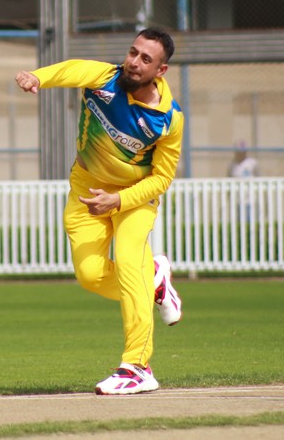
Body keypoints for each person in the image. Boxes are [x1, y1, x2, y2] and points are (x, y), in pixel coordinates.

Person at [14, 27, 184, 395]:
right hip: (86, 188)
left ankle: (137, 367)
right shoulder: (104, 77)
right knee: (90, 275)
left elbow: (162, 179)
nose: (134, 62)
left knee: (129, 263)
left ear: (161, 70)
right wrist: (37, 77)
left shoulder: (168, 118)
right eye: (133, 52)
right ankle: (154, 280)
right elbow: (71, 70)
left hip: (132, 199)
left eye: (145, 59)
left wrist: (118, 200)